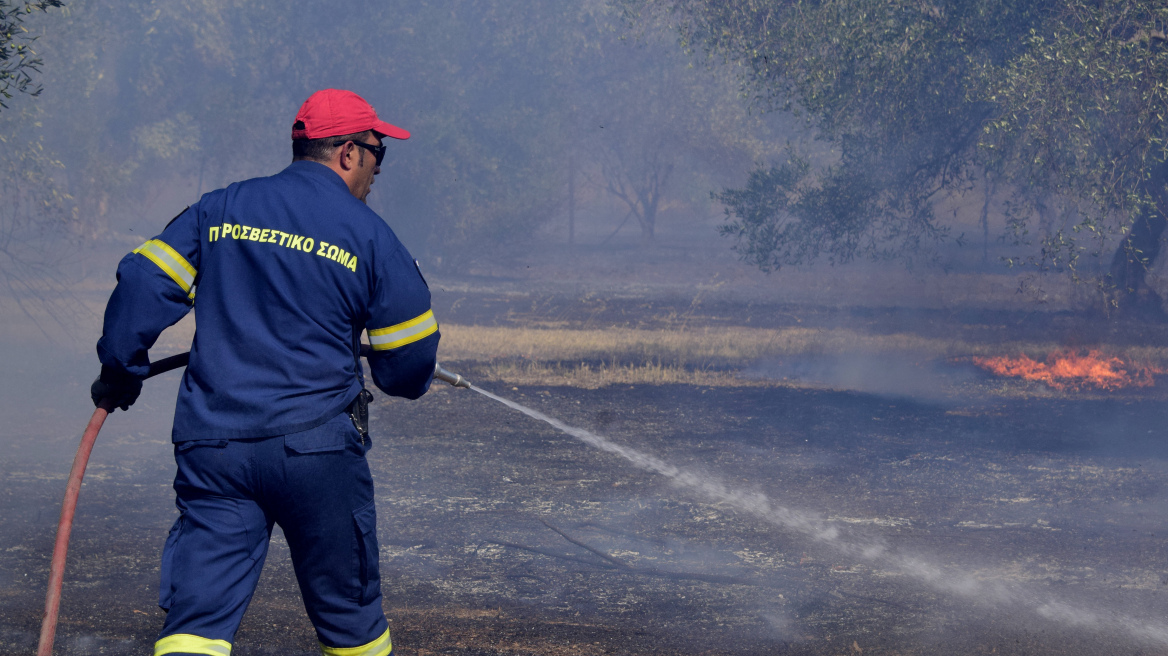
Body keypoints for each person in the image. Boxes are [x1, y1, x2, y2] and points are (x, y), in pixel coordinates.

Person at [91, 88, 439, 656]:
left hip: (215, 449)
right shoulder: (371, 236)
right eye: (379, 151)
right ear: (348, 153)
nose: (378, 168)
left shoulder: (221, 208)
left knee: (195, 624)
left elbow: (141, 283)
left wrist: (121, 369)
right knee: (352, 625)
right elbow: (409, 367)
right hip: (316, 453)